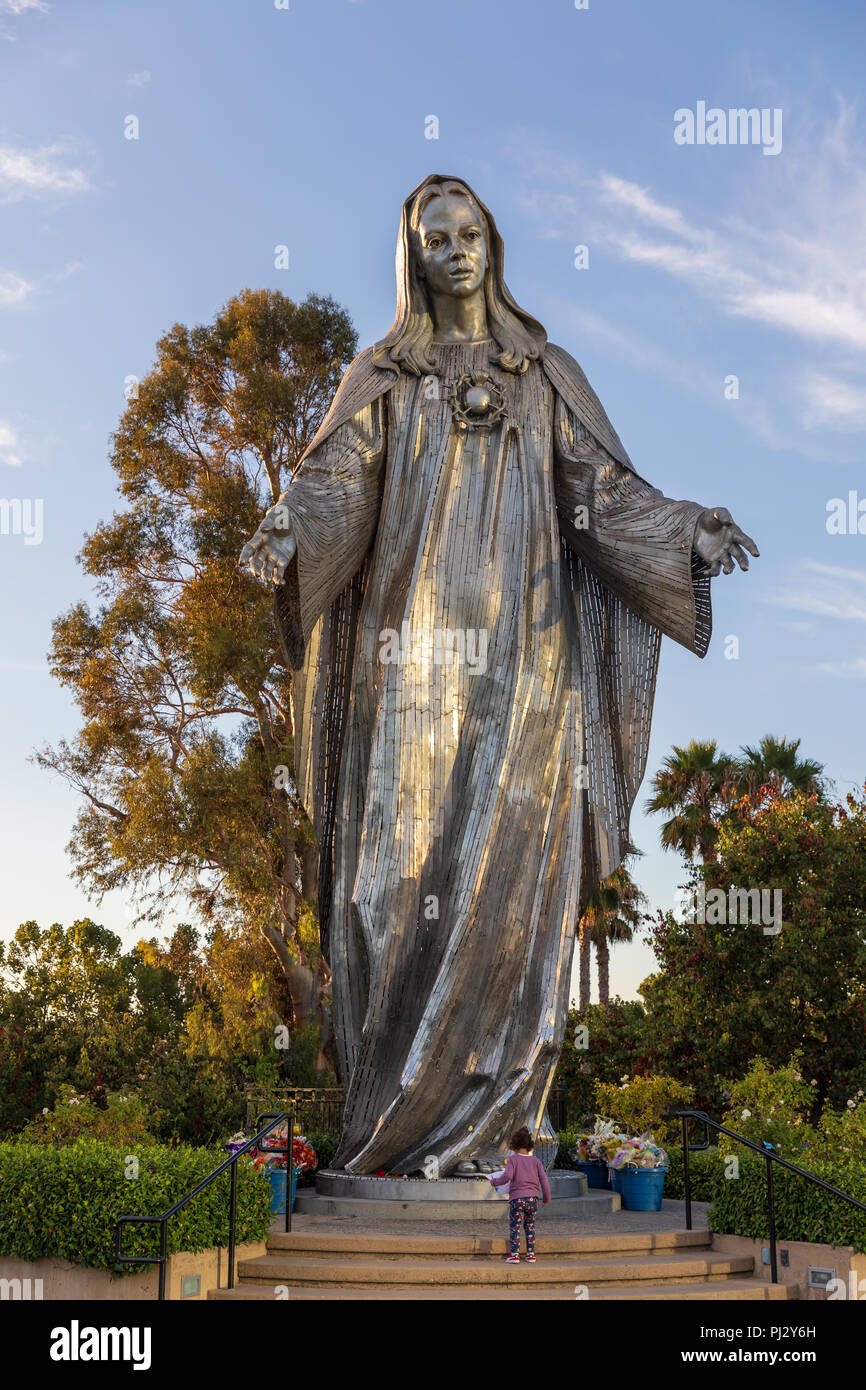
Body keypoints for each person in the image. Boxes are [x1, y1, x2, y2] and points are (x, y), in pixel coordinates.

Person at [490, 1126, 551, 1262]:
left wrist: (494, 1182)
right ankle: (530, 1254)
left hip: (517, 1199)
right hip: (532, 1199)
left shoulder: (513, 1159)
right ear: (529, 1145)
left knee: (515, 1226)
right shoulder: (536, 1161)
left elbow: (507, 1176)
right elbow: (544, 1181)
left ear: (514, 1145)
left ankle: (515, 1255)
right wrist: (546, 1198)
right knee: (530, 1226)